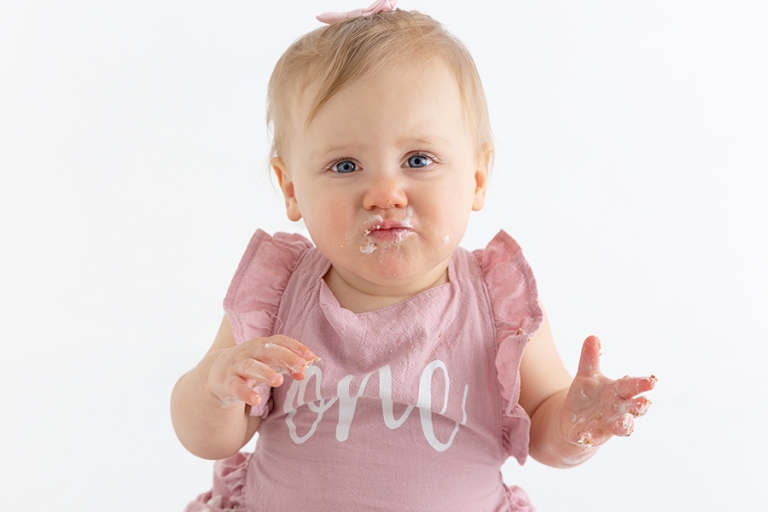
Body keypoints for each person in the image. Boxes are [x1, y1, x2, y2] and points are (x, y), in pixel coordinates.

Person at [171, 2, 656, 510]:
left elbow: (544, 431)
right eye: (344, 165)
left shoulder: (497, 306)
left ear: (476, 177)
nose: (385, 192)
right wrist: (216, 388)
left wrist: (575, 423)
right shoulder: (276, 296)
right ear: (290, 188)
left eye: (418, 160)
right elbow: (204, 436)